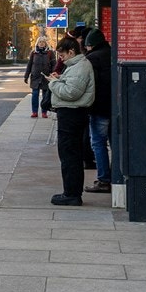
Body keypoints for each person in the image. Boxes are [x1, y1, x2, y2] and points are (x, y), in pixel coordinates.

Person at [46, 35, 95, 206]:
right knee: (69, 154)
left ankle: (72, 194)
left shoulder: (80, 67)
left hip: (72, 115)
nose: (61, 59)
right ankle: (71, 191)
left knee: (69, 155)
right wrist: (59, 79)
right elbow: (71, 86)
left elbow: (71, 92)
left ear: (72, 51)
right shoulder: (75, 66)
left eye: (62, 55)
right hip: (71, 114)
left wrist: (53, 83)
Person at [83, 28, 114, 193]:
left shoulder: (92, 58)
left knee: (98, 144)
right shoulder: (113, 53)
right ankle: (117, 176)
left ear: (90, 45)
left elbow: (89, 83)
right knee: (115, 144)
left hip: (99, 108)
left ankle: (103, 180)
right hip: (114, 107)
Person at [22, 38, 55, 118]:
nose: (41, 43)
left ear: (46, 43)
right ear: (37, 43)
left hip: (46, 77)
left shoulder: (50, 53)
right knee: (35, 94)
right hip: (35, 77)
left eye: (43, 42)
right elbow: (29, 65)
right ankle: (34, 112)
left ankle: (44, 112)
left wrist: (53, 74)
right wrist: (26, 76)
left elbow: (54, 64)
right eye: (40, 42)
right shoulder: (33, 53)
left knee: (45, 96)